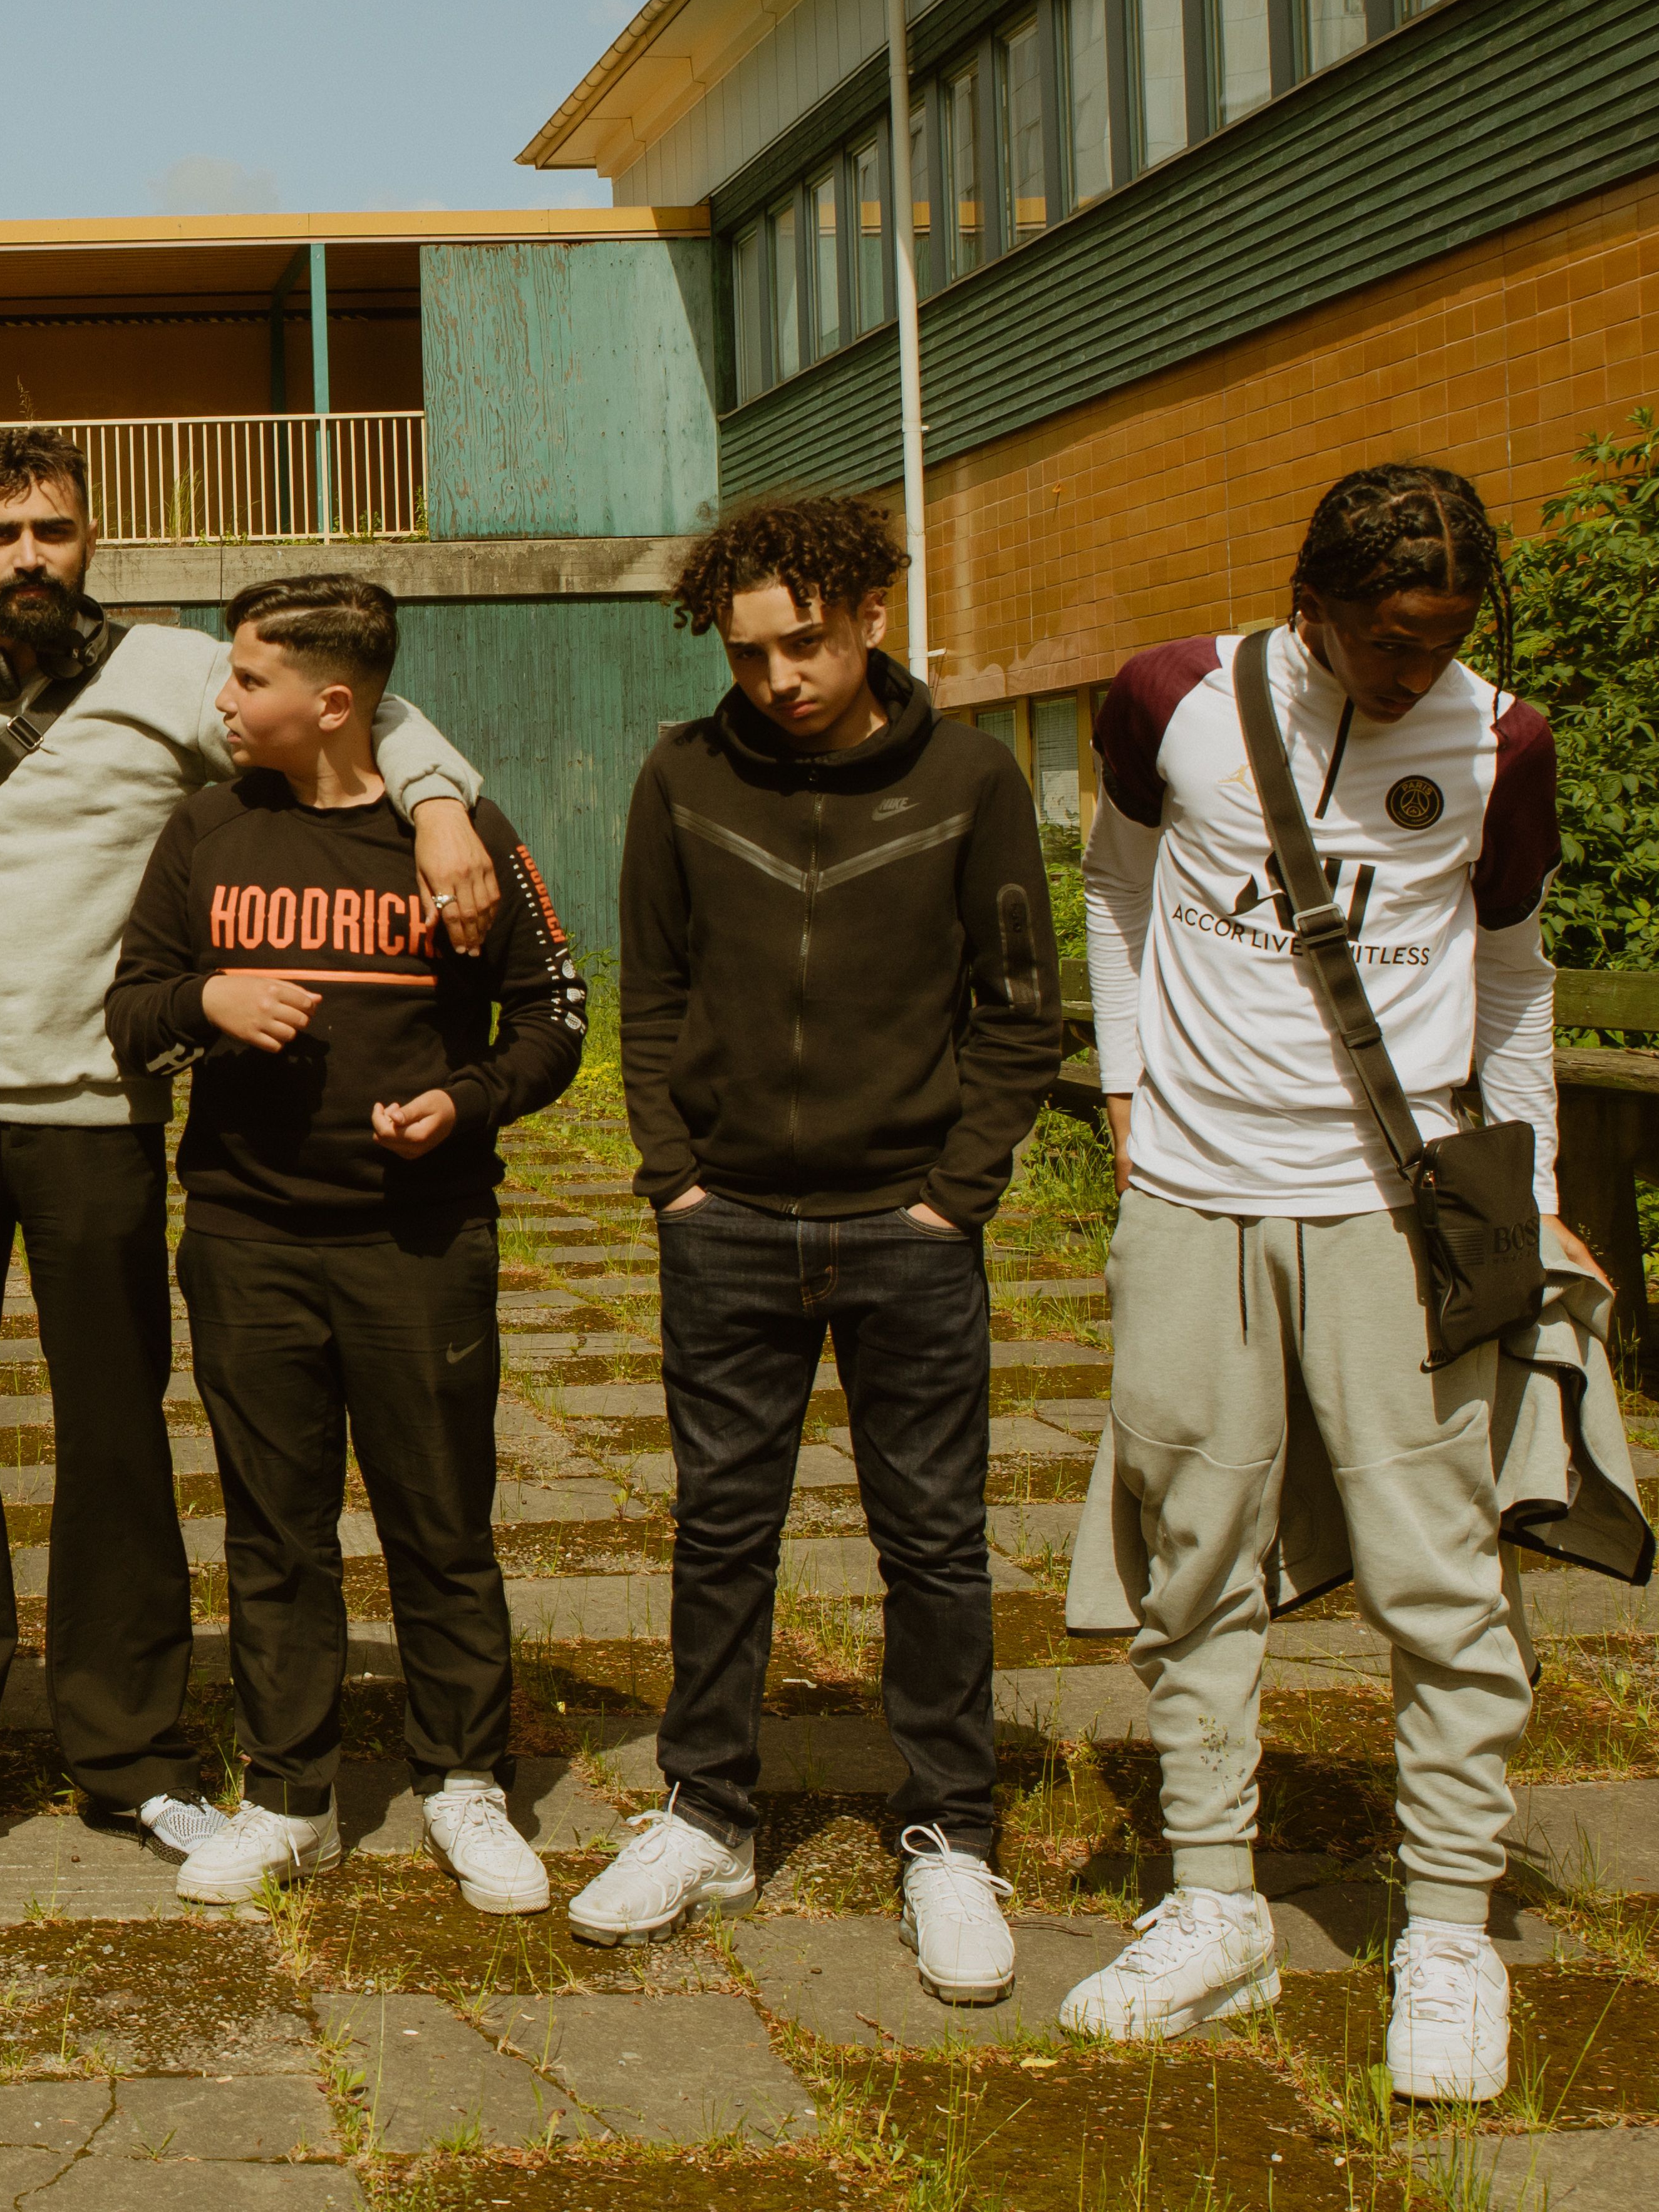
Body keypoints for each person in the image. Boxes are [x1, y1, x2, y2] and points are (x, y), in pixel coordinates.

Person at [0, 424, 504, 1886]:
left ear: (90, 538)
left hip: (99, 1113)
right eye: (2, 533)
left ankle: (128, 1754)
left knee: (118, 1436)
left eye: (53, 529)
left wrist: (440, 803)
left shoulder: (181, 675)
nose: (29, 557)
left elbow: (365, 708)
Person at [1059, 461, 1590, 2103]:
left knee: (1442, 1573)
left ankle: (1448, 1930)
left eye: (1445, 638)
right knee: (1193, 1554)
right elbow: (1117, 883)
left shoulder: (1502, 740)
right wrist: (1129, 1095)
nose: (1417, 669)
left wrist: (1537, 1195)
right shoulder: (1171, 698)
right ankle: (1216, 1902)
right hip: (1196, 1197)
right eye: (1387, 640)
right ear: (1312, 607)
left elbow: (1515, 975)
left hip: (1394, 1209)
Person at [566, 495, 1063, 2002]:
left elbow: (1020, 1009)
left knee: (934, 1539)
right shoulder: (683, 773)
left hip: (908, 1225)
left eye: (806, 643)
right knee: (723, 1530)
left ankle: (950, 1832)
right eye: (750, 652)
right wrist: (674, 1178)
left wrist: (956, 1194)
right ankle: (706, 1811)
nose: (779, 677)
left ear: (870, 618)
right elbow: (653, 987)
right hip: (727, 1223)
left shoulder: (972, 779)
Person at [105, 573, 584, 1913]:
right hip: (247, 1238)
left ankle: (465, 1781)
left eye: (248, 677)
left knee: (442, 1523)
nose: (223, 698)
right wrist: (209, 996)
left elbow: (554, 1016)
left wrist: (468, 1102)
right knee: (275, 1530)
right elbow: (131, 1009)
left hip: (420, 1243)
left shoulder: (461, 835)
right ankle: (289, 1798)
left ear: (331, 702)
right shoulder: (206, 826)